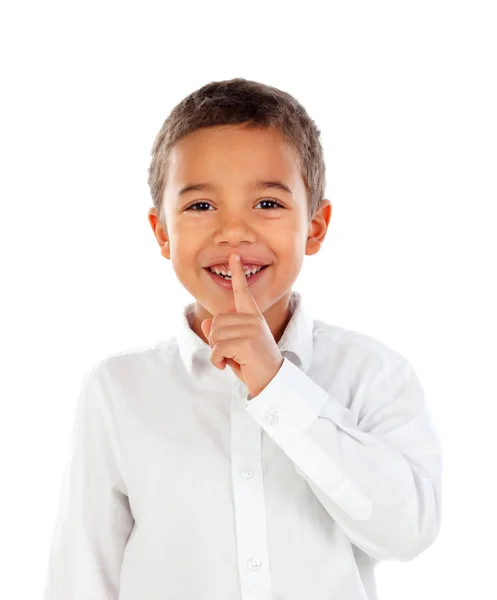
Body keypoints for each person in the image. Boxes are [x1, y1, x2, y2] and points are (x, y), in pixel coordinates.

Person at [42, 78, 442, 600]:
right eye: (201, 207)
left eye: (268, 204)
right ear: (162, 232)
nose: (233, 232)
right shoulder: (117, 390)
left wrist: (276, 385)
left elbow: (406, 533)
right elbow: (82, 573)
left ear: (315, 227)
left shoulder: (374, 373)